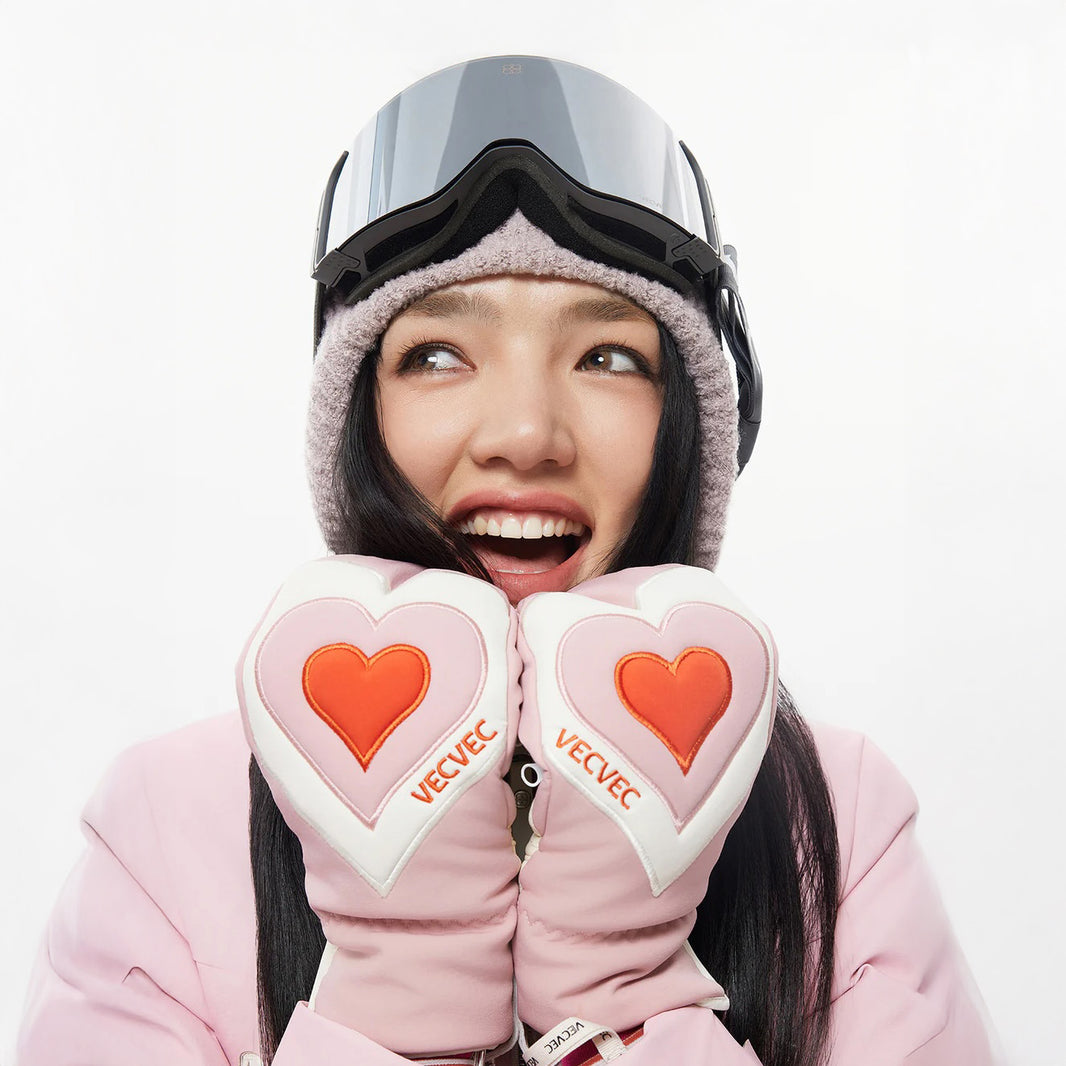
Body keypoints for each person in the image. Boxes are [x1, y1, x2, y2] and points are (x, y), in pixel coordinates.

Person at [15, 55, 1000, 1066]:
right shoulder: (168, 825)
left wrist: (624, 999)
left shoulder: (836, 819)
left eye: (606, 356)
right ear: (356, 419)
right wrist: (400, 994)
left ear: (688, 427)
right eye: (438, 353)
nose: (527, 433)